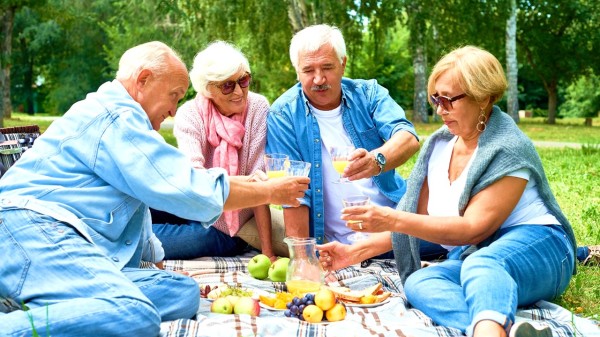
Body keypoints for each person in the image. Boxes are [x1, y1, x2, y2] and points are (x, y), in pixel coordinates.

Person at [0, 41, 308, 336]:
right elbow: (182, 185)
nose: (174, 110)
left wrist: (157, 263)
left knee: (181, 294)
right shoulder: (115, 116)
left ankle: (40, 304)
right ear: (143, 80)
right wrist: (270, 192)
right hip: (30, 229)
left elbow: (140, 209)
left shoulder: (130, 125)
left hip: (64, 243)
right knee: (136, 313)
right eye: (174, 95)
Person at [317, 46, 578, 337]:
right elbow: (416, 221)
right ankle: (509, 329)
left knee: (482, 263)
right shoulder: (439, 146)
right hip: (480, 257)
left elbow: (471, 230)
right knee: (419, 282)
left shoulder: (507, 148)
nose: (439, 109)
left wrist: (390, 218)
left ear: (483, 97)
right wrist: (353, 253)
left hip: (541, 248)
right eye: (435, 98)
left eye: (448, 100)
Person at [266, 24, 441, 261]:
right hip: (345, 242)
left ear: (343, 63)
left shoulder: (368, 93)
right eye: (308, 70)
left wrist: (377, 159)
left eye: (327, 67)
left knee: (465, 230)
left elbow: (407, 137)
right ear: (297, 71)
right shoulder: (283, 114)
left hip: (396, 219)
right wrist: (303, 262)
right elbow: (295, 194)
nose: (319, 79)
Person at [151, 41, 286, 261]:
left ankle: (110, 241)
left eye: (243, 80)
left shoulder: (258, 108)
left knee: (151, 240)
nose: (239, 91)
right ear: (208, 88)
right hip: (193, 201)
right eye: (227, 85)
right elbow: (193, 178)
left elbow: (259, 185)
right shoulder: (190, 114)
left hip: (229, 225)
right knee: (137, 204)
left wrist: (268, 252)